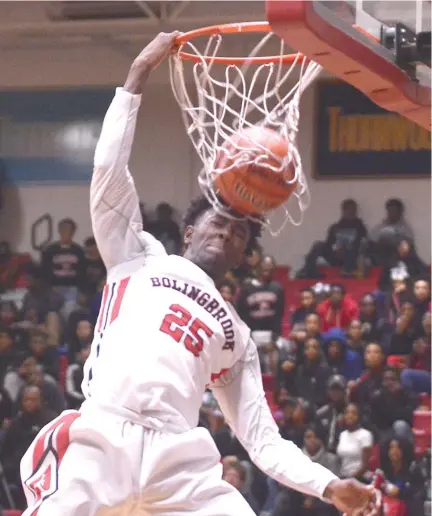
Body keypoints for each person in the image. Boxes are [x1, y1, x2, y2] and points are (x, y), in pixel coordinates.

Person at [20, 33, 380, 516]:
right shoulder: (137, 256)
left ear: (243, 257)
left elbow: (263, 440)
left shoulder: (236, 334)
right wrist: (135, 79)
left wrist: (329, 485)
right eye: (219, 222)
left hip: (177, 459)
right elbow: (108, 171)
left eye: (239, 235)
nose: (228, 234)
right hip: (103, 436)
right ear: (189, 230)